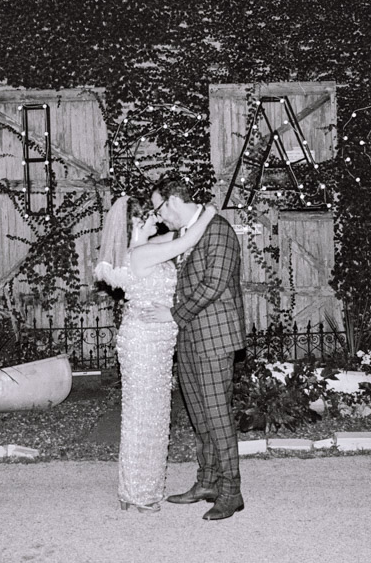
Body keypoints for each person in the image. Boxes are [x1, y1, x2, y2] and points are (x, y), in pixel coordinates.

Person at [94, 194, 217, 514]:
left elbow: (181, 233)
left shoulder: (148, 246)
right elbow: (189, 237)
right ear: (135, 221)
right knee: (145, 417)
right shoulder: (141, 253)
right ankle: (139, 492)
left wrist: (189, 216)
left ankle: (132, 490)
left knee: (149, 415)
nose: (158, 219)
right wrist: (210, 211)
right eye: (150, 215)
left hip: (156, 341)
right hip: (145, 342)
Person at [148, 177, 246, 521]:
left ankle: (232, 492)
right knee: (200, 417)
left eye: (159, 209)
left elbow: (214, 284)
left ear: (173, 201)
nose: (160, 218)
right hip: (190, 337)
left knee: (218, 418)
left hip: (215, 338)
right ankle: (207, 482)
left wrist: (174, 314)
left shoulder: (218, 230)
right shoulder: (188, 233)